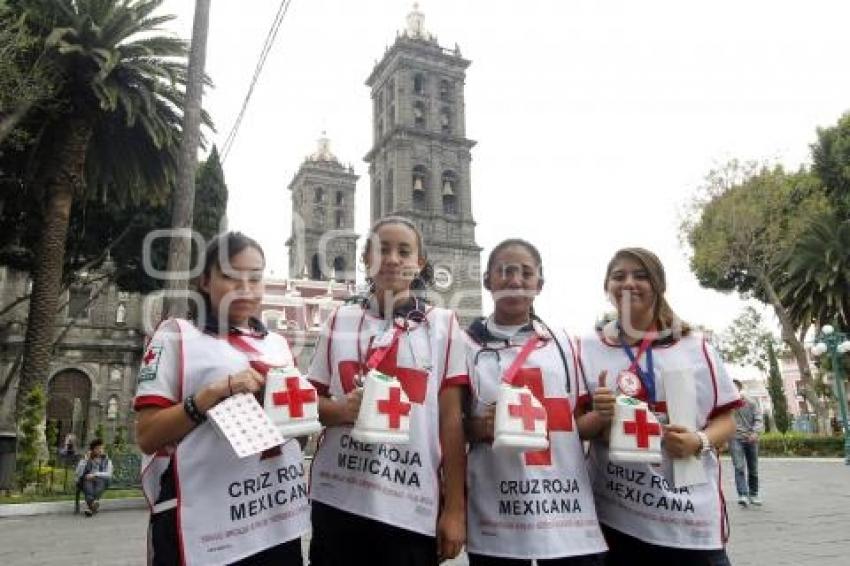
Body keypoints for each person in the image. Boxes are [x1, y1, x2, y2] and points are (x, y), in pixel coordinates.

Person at [134, 232, 309, 566]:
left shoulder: (278, 345)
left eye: (256, 278)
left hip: (273, 519)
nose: (245, 288)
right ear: (204, 280)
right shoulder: (176, 336)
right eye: (230, 276)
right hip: (204, 524)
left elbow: (297, 436)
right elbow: (147, 435)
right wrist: (215, 393)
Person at [307, 216, 467, 566]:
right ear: (366, 259)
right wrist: (341, 411)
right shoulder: (339, 320)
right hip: (338, 501)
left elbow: (451, 422)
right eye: (382, 250)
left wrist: (455, 509)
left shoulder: (442, 325)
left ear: (419, 263)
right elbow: (308, 402)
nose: (393, 259)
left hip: (409, 507)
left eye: (404, 251)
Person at [578, 247, 742, 566]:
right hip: (615, 514)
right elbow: (576, 425)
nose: (629, 283)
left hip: (688, 514)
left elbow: (726, 420)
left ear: (658, 285)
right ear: (606, 287)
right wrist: (600, 416)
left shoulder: (696, 346)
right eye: (618, 276)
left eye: (640, 276)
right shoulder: (586, 347)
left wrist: (699, 441)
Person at [464, 239, 607, 565]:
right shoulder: (464, 344)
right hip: (496, 517)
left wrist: (603, 415)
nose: (515, 280)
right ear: (487, 280)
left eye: (526, 273)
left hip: (568, 518)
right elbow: (450, 426)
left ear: (539, 284)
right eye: (504, 271)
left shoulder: (566, 344)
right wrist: (477, 426)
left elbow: (577, 425)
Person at [729, 379, 763, 507]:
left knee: (753, 468)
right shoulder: (727, 404)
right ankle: (742, 494)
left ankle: (754, 494)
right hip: (735, 438)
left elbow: (759, 418)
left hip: (751, 438)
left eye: (734, 388)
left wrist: (755, 433)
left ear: (739, 388)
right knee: (738, 467)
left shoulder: (750, 401)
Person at [75, 438, 112, 517]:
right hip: (87, 480)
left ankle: (90, 506)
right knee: (87, 482)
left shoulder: (107, 460)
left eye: (101, 448)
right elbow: (78, 472)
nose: (100, 450)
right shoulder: (86, 459)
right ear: (92, 450)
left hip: (101, 480)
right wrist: (85, 460)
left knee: (100, 482)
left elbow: (108, 474)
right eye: (97, 448)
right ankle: (93, 506)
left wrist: (95, 474)